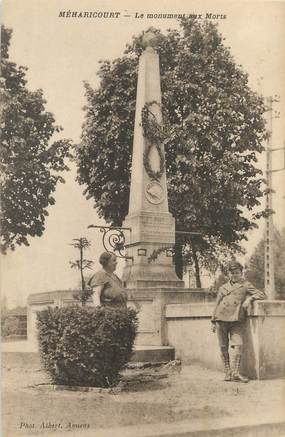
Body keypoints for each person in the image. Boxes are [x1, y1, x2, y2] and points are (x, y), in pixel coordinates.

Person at [211, 261, 266, 383]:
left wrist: (250, 299)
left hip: (236, 319)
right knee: (223, 346)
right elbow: (217, 304)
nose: (234, 275)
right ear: (228, 274)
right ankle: (227, 372)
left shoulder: (246, 285)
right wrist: (213, 320)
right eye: (232, 273)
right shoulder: (223, 288)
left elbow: (261, 294)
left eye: (237, 273)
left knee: (238, 344)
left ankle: (236, 373)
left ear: (241, 273)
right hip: (220, 319)